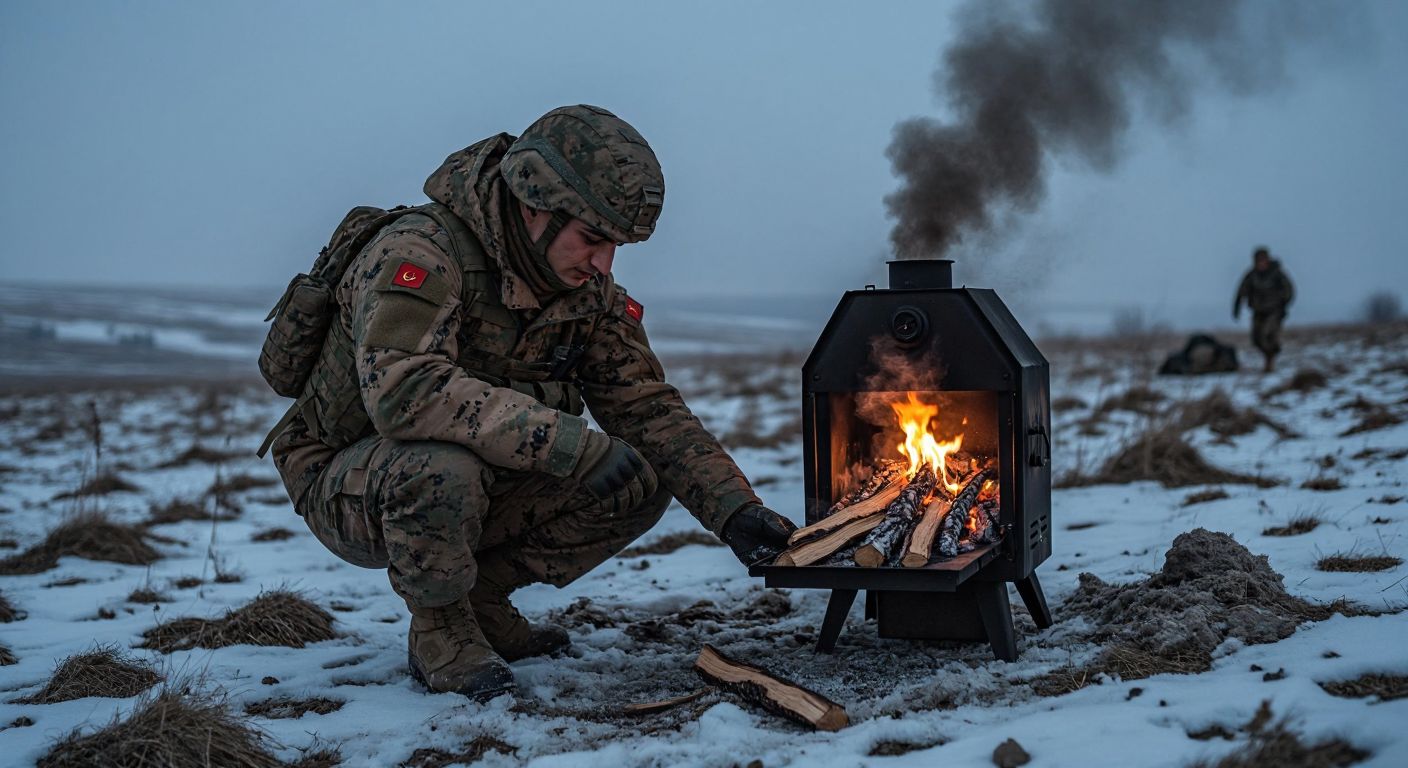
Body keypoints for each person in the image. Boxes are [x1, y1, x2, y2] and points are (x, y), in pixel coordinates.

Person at [267, 105, 796, 700]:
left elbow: (647, 409)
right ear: (533, 204)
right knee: (443, 468)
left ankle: (481, 602)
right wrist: (572, 445)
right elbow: (405, 394)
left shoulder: (586, 293)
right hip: (350, 479)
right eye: (592, 239)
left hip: (477, 475)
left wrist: (733, 509)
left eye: (615, 245)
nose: (603, 264)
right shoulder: (418, 252)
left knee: (639, 476)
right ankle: (440, 631)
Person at [1233, 246, 1295, 372]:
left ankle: (1270, 362)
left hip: (1274, 311)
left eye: (1263, 259)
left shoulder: (1277, 273)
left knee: (1267, 335)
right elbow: (1241, 292)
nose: (1261, 262)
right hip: (1258, 311)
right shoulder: (1252, 275)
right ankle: (1270, 354)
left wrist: (1283, 306)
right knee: (1256, 339)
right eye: (1258, 260)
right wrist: (1236, 308)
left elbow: (1289, 291)